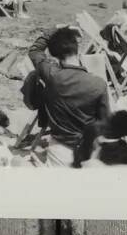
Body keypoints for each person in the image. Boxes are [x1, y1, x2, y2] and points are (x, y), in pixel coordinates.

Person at [27, 26, 111, 167]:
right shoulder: (98, 84)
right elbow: (106, 123)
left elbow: (35, 51)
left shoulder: (52, 75)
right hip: (88, 151)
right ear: (77, 52)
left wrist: (56, 28)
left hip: (59, 149)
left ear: (55, 57)